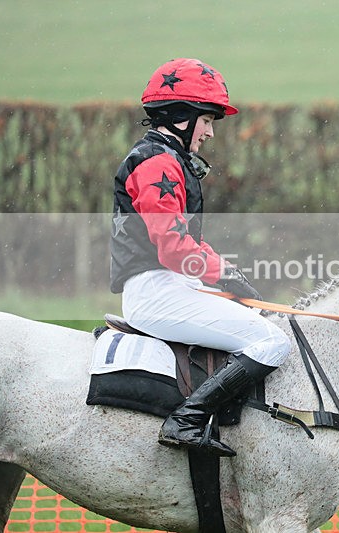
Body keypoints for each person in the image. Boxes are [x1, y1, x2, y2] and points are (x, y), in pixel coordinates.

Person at [109, 57, 291, 457]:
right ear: (180, 116)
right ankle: (186, 420)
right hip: (157, 292)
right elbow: (174, 248)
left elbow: (190, 242)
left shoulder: (168, 159)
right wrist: (223, 274)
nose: (209, 132)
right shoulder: (158, 163)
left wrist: (230, 274)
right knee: (272, 342)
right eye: (206, 120)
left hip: (173, 286)